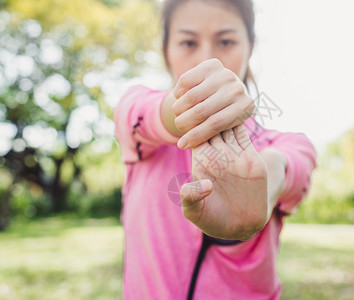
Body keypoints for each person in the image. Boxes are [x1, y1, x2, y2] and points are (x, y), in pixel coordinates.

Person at [114, 0, 316, 299]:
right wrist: (181, 110)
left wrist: (265, 180)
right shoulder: (143, 121)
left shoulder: (285, 143)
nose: (207, 61)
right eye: (188, 42)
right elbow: (136, 114)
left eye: (225, 41)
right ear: (165, 49)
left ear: (250, 46)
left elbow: (291, 167)